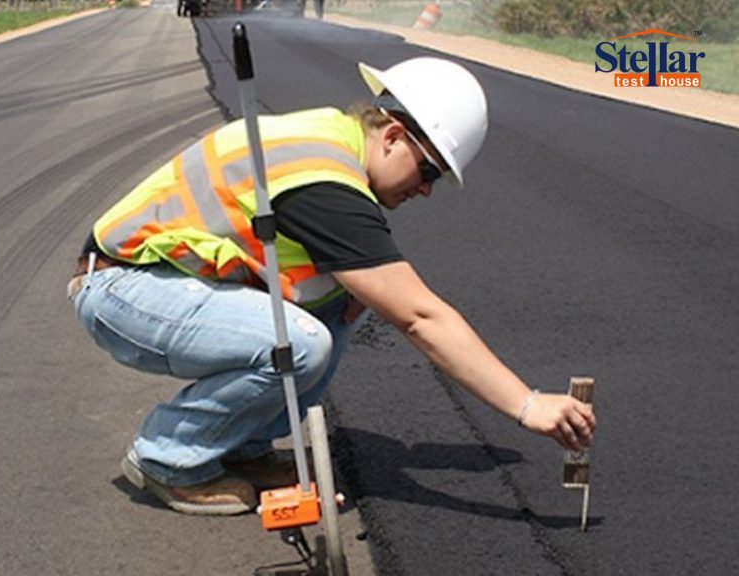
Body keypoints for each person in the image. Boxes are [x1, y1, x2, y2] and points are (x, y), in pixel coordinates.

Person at [68, 57, 597, 516]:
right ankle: (169, 454)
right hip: (120, 286)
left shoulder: (333, 138)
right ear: (392, 136)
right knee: (301, 342)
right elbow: (421, 318)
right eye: (429, 170)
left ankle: (242, 447)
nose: (427, 191)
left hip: (166, 283)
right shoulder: (324, 181)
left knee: (342, 305)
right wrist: (526, 405)